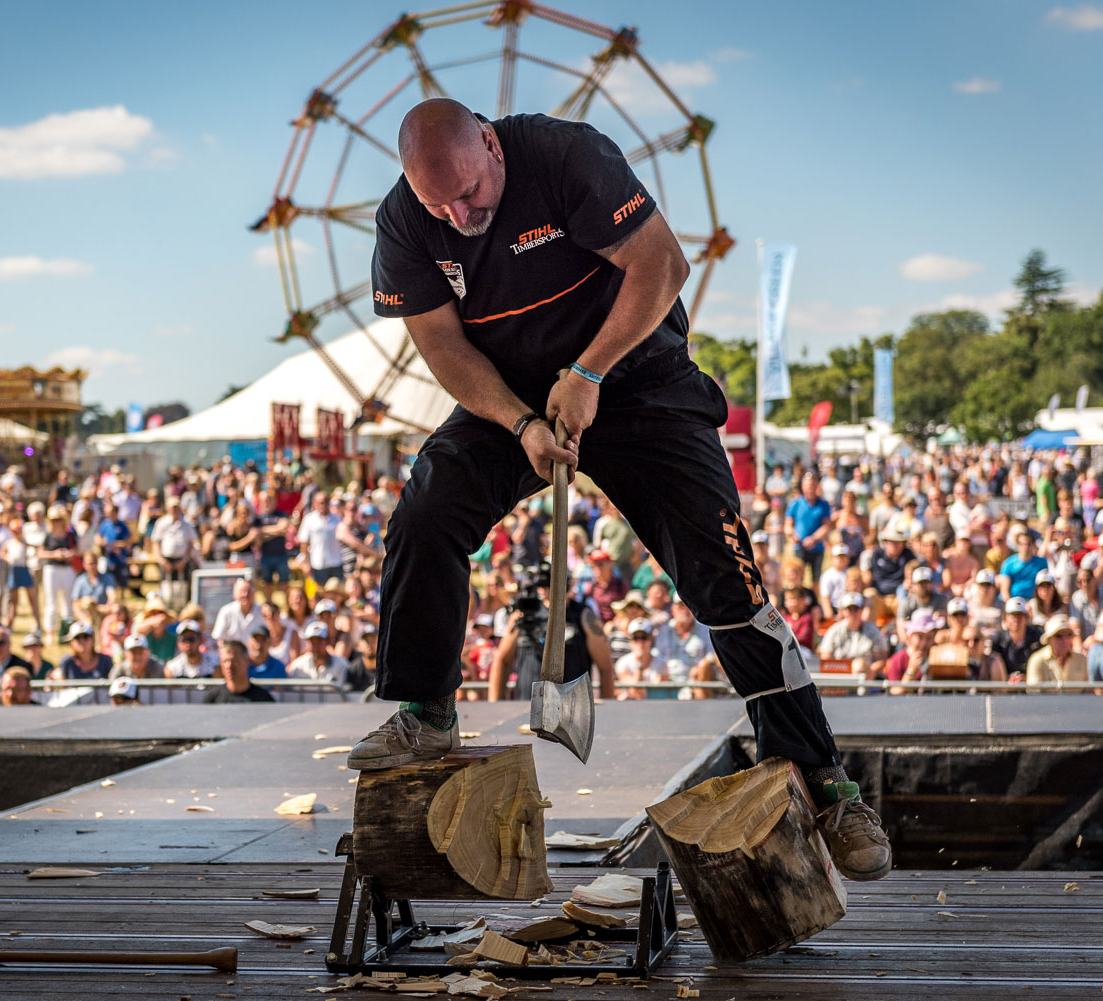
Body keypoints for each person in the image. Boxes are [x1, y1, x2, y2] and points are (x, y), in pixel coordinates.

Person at [348, 98, 885, 881]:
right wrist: (520, 420)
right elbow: (440, 343)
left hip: (635, 376)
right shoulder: (404, 222)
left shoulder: (566, 157)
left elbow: (662, 263)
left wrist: (589, 371)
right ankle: (425, 713)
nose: (459, 215)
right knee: (425, 513)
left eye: (470, 193)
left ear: (492, 147)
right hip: (512, 390)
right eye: (439, 204)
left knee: (724, 574)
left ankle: (823, 779)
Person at [817, 593, 890, 680]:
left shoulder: (873, 631)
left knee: (859, 665)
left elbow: (881, 660)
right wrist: (845, 669)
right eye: (849, 609)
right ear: (843, 611)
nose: (852, 613)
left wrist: (869, 671)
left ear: (861, 610)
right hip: (839, 676)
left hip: (865, 677)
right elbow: (826, 658)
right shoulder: (834, 631)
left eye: (856, 609)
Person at [38, 506, 78, 641]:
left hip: (67, 569)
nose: (57, 522)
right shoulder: (48, 536)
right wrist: (55, 554)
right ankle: (50, 631)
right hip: (52, 569)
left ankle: (66, 631)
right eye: (54, 520)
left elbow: (76, 550)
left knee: (68, 601)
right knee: (51, 602)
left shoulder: (71, 535)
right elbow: (40, 553)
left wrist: (69, 554)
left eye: (59, 519)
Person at [786, 472, 833, 583]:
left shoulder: (824, 504)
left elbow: (826, 526)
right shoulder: (795, 503)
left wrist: (814, 539)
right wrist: (793, 535)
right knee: (797, 578)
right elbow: (788, 525)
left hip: (817, 548)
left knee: (816, 580)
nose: (810, 489)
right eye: (808, 486)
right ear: (803, 487)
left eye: (812, 486)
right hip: (800, 547)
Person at [614, 616, 672, 699]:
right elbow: (636, 692)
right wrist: (639, 665)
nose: (640, 642)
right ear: (630, 640)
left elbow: (654, 694)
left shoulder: (662, 664)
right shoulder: (622, 663)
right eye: (636, 638)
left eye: (644, 637)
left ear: (651, 640)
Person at [204, 638, 276, 703]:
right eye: (225, 661)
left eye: (234, 661)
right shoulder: (212, 699)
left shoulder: (263, 699)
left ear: (247, 662)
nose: (229, 666)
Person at [297, 491, 344, 585]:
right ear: (314, 503)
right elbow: (304, 542)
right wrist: (305, 563)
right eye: (319, 502)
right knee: (320, 592)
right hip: (318, 563)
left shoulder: (337, 519)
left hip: (336, 562)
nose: (322, 505)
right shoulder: (309, 519)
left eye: (325, 502)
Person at [1027, 615, 1088, 686]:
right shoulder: (1037, 660)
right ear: (1048, 640)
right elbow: (1034, 694)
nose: (1065, 640)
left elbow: (1088, 692)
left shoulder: (1082, 660)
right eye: (1058, 636)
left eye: (1069, 635)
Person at [994, 597, 1044, 681]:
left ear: (1026, 618)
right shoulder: (999, 640)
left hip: (1033, 686)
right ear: (1006, 618)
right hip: (1005, 687)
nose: (1016, 620)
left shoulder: (1037, 636)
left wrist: (1028, 678)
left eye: (1019, 615)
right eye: (1012, 615)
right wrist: (1007, 679)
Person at [211, 578, 266, 646]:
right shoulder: (226, 611)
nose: (245, 595)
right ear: (234, 594)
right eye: (242, 591)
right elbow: (217, 638)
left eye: (249, 591)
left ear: (254, 593)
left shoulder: (263, 612)